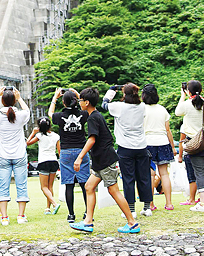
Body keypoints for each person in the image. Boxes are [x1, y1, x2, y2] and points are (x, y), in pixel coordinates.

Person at [70, 88, 139, 234]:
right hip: (100, 161)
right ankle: (88, 222)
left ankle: (132, 223)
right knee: (89, 187)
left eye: (80, 101)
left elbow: (92, 139)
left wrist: (80, 157)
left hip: (105, 160)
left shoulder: (93, 118)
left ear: (86, 103)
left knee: (113, 190)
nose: (79, 103)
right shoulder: (94, 114)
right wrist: (78, 94)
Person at [102, 83, 153, 218]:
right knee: (144, 177)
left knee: (128, 178)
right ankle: (147, 207)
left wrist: (111, 91)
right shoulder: (142, 107)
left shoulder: (119, 107)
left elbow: (104, 104)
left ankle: (131, 209)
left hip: (125, 147)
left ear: (124, 94)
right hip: (141, 146)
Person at [175, 80, 204, 212]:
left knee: (199, 172)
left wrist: (183, 95)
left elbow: (177, 112)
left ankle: (203, 204)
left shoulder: (186, 104)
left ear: (188, 91)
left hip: (195, 143)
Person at [0, 86, 30, 226]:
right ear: (14, 101)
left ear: (2, 101)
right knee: (21, 185)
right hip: (19, 154)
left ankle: (4, 217)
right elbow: (27, 111)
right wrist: (20, 98)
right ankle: (21, 215)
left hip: (3, 155)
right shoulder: (20, 116)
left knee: (3, 186)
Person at [48, 88, 90, 222]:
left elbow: (50, 113)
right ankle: (87, 212)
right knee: (84, 184)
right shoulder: (83, 114)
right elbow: (89, 110)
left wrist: (54, 97)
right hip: (81, 151)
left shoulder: (59, 116)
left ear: (63, 102)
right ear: (76, 101)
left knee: (69, 184)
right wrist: (78, 95)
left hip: (66, 151)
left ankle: (71, 214)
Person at [142, 84, 176, 210]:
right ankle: (169, 203)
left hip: (147, 143)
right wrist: (172, 147)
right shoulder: (162, 110)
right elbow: (168, 130)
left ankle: (150, 204)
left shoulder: (142, 109)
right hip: (163, 142)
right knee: (164, 174)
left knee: (150, 175)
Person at [26, 117, 61, 215]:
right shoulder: (56, 136)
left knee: (43, 187)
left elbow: (27, 143)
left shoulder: (39, 136)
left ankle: (54, 204)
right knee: (50, 187)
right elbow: (59, 151)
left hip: (43, 162)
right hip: (54, 161)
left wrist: (33, 132)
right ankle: (48, 208)